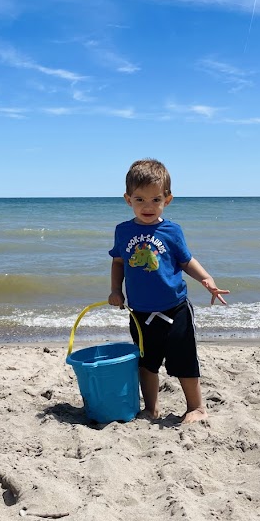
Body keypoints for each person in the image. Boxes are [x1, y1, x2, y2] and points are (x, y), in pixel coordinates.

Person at [108, 159, 229, 423]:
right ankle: (151, 408)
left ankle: (196, 407)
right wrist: (116, 290)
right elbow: (118, 261)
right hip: (140, 311)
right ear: (128, 200)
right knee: (146, 363)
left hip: (175, 308)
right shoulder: (123, 231)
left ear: (168, 199)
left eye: (155, 200)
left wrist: (206, 279)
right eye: (140, 200)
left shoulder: (172, 230)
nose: (147, 207)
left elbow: (186, 261)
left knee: (184, 358)